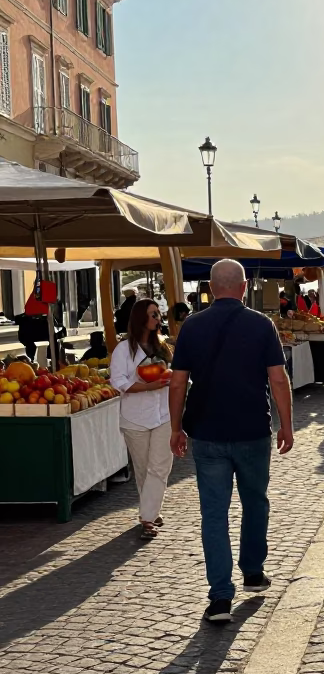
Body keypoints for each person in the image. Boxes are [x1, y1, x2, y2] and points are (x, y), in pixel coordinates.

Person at [168, 259, 294, 624]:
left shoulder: (191, 327)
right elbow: (278, 379)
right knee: (255, 502)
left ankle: (220, 596)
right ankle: (253, 571)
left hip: (206, 433)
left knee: (213, 514)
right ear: (242, 288)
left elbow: (178, 383)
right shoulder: (261, 325)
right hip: (253, 429)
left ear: (209, 287)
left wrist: (175, 427)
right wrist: (286, 424)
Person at [110, 298, 174, 540]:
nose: (158, 318)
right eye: (153, 314)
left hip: (164, 414)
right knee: (143, 469)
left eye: (159, 314)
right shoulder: (123, 350)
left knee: (160, 466)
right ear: (141, 319)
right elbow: (119, 383)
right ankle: (152, 509)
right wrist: (148, 386)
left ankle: (147, 517)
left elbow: (175, 373)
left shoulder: (164, 347)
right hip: (135, 418)